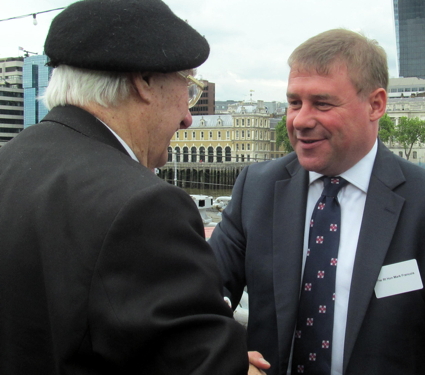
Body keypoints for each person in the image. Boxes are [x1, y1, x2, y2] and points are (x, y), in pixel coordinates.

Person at [209, 29, 425, 374]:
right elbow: (201, 291)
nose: (300, 120)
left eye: (322, 103)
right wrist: (225, 354)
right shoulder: (256, 189)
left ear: (376, 104)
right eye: (293, 102)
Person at [0, 0, 251, 374]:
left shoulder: (9, 164)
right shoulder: (144, 206)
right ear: (144, 81)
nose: (187, 117)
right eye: (189, 87)